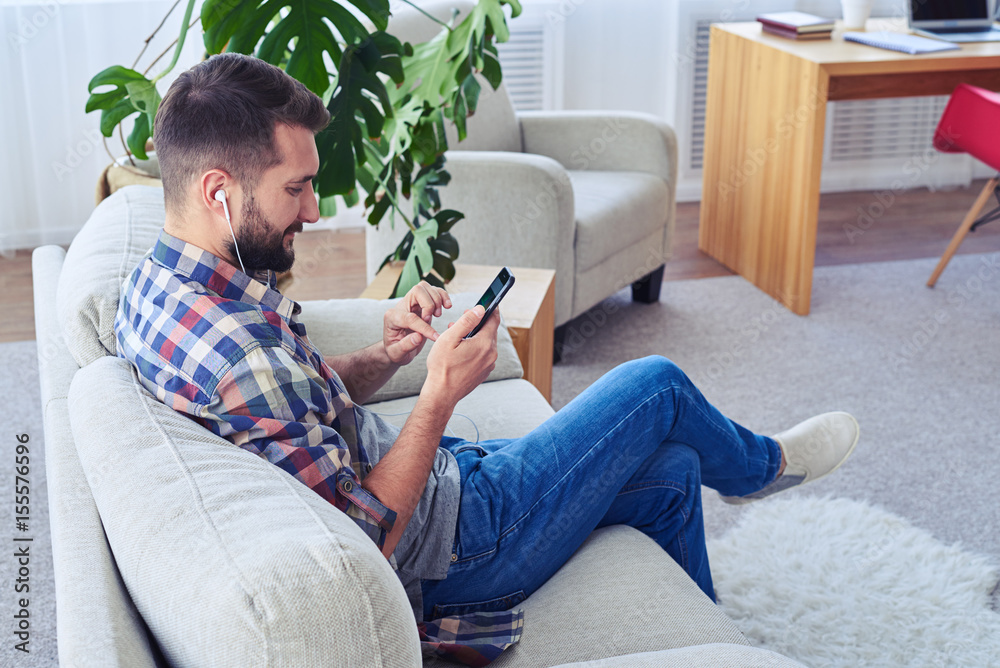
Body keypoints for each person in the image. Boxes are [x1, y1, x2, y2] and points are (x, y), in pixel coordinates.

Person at [115, 53, 860, 665]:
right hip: (457, 546)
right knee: (654, 385)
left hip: (443, 489)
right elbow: (370, 538)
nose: (312, 210)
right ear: (218, 191)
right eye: (296, 188)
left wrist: (387, 355)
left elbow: (293, 404)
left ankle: (709, 645)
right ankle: (762, 470)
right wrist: (437, 395)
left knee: (673, 470)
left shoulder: (161, 287)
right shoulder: (238, 356)